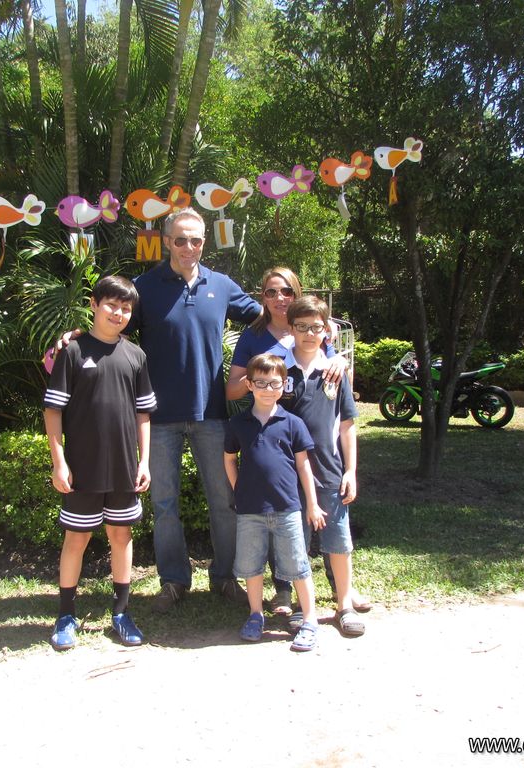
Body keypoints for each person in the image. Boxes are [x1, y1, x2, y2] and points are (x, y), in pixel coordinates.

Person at [129, 208, 262, 611]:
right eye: (181, 239)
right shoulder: (143, 287)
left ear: (205, 242)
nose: (189, 247)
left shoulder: (220, 285)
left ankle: (225, 578)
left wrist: (317, 330)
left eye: (197, 240)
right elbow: (111, 327)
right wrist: (77, 337)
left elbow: (267, 318)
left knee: (225, 501)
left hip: (212, 414)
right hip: (159, 418)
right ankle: (173, 582)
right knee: (164, 505)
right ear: (166, 241)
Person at [225, 266, 362, 615]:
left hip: (326, 464)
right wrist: (262, 378)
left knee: (335, 532)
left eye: (286, 291)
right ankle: (291, 596)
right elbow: (237, 392)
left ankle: (343, 596)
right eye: (271, 292)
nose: (279, 298)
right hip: (285, 467)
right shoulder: (262, 347)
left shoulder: (324, 351)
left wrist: (338, 361)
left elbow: (346, 418)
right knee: (291, 534)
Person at [43, 275, 157, 650]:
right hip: (82, 467)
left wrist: (144, 461)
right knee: (76, 538)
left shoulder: (136, 355)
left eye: (125, 308)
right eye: (111, 305)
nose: (118, 313)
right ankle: (66, 615)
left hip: (124, 467)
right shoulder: (73, 351)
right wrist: (59, 461)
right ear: (93, 304)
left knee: (121, 536)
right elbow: (53, 410)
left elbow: (143, 414)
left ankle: (121, 613)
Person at [223, 353, 325, 652]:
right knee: (251, 566)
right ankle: (256, 615)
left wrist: (313, 504)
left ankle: (309, 619)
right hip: (250, 511)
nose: (268, 389)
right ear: (249, 385)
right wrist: (239, 489)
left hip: (288, 508)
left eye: (274, 383)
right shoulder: (238, 423)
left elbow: (304, 466)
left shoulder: (293, 423)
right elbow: (229, 459)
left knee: (297, 564)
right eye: (261, 383)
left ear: (284, 385)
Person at [280, 295, 365, 636]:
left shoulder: (334, 372)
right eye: (301, 327)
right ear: (291, 329)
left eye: (316, 327)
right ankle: (304, 607)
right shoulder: (278, 371)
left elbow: (347, 426)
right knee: (295, 543)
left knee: (339, 541)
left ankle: (344, 605)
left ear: (326, 330)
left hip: (330, 472)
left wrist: (350, 470)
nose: (309, 334)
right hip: (288, 476)